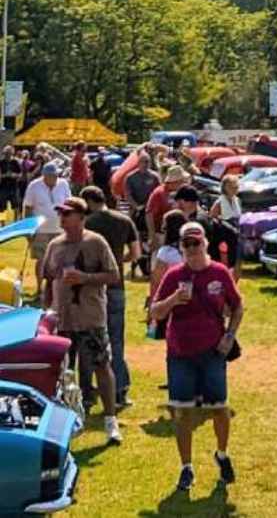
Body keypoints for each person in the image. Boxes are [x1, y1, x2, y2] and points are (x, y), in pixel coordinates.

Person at [149, 222, 243, 492]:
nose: (192, 249)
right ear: (180, 248)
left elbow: (238, 306)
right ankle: (186, 467)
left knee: (220, 408)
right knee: (182, 411)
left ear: (205, 245)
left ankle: (222, 455)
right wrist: (173, 300)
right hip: (180, 353)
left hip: (213, 351)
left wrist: (230, 336)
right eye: (186, 245)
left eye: (196, 244)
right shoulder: (173, 275)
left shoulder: (219, 273)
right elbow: (155, 312)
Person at [42, 197, 122, 443]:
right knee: (61, 371)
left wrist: (85, 278)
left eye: (67, 214)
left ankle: (110, 420)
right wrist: (48, 307)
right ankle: (62, 423)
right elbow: (48, 276)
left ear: (81, 217)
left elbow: (113, 275)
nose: (62, 218)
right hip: (62, 319)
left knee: (101, 365)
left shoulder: (96, 243)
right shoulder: (55, 245)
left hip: (90, 318)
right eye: (60, 214)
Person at [81, 186, 140, 408]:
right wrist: (118, 262)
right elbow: (136, 253)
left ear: (88, 202)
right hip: (117, 287)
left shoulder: (88, 224)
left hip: (93, 287)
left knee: (90, 340)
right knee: (116, 340)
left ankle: (88, 392)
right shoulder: (124, 221)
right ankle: (120, 390)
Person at [24, 163, 72, 295]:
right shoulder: (34, 186)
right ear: (45, 176)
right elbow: (28, 207)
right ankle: (39, 288)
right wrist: (29, 229)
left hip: (60, 228)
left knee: (60, 259)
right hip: (41, 229)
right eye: (52, 176)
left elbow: (69, 203)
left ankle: (58, 288)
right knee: (41, 260)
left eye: (56, 175)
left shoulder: (63, 184)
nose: (55, 178)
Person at [147, 165, 189, 254]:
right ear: (174, 182)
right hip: (162, 234)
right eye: (182, 181)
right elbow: (149, 214)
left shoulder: (183, 192)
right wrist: (152, 235)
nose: (184, 182)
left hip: (179, 233)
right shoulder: (159, 193)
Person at [208, 174, 242, 274]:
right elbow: (212, 217)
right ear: (225, 187)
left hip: (236, 231)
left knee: (237, 258)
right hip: (224, 233)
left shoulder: (237, 200)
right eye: (231, 186)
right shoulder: (219, 202)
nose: (234, 189)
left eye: (235, 186)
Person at [0, 146, 22, 221]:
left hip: (13, 186)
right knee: (2, 206)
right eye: (6, 153)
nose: (8, 155)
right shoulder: (1, 162)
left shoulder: (15, 162)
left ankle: (16, 221)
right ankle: (2, 223)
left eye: (9, 153)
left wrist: (13, 175)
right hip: (3, 186)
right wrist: (5, 175)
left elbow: (20, 174)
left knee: (16, 205)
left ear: (12, 153)